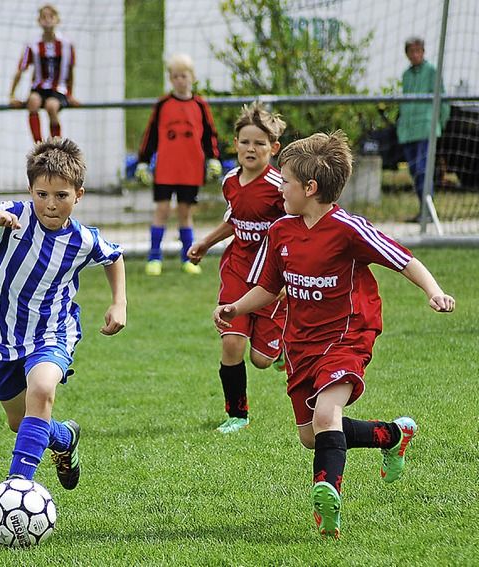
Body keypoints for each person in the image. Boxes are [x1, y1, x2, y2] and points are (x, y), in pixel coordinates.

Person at [213, 130, 455, 538]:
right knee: (313, 436)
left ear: (310, 188)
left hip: (348, 335)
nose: (279, 187)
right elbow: (269, 288)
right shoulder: (282, 231)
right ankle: (394, 434)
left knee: (327, 414)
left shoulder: (349, 228)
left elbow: (403, 259)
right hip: (300, 343)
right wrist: (236, 307)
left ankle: (327, 498)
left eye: (285, 181)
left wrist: (435, 291)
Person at [0, 137, 127, 490]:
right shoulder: (11, 218)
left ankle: (19, 487)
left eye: (62, 195)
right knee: (21, 422)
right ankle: (64, 439)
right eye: (42, 194)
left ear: (79, 195)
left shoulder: (82, 240)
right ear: (30, 190)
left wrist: (119, 302)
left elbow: (114, 256)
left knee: (42, 390)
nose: (51, 204)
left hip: (52, 332)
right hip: (2, 336)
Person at [187, 102, 287, 434]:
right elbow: (234, 219)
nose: (251, 148)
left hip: (271, 280)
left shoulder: (280, 188)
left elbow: (292, 230)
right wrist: (206, 242)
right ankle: (237, 415)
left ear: (273, 149)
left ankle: (283, 336)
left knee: (261, 360)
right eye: (245, 141)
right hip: (236, 269)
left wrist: (289, 275)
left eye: (260, 143)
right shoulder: (230, 181)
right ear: (235, 144)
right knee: (231, 342)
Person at [135, 53, 221, 276]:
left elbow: (209, 135)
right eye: (175, 76)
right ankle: (154, 257)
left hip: (190, 169)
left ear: (191, 77)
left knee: (185, 212)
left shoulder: (200, 105)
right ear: (170, 79)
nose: (180, 80)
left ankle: (188, 258)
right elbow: (151, 134)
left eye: (183, 75)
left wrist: (213, 158)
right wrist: (143, 161)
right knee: (161, 210)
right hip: (166, 168)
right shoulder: (163, 104)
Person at [9, 4, 80, 142]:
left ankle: (55, 146)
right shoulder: (33, 44)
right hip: (39, 88)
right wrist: (12, 95)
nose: (47, 20)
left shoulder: (66, 43)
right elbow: (21, 70)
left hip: (58, 89)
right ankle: (39, 145)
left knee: (51, 106)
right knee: (33, 101)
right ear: (39, 21)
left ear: (57, 20)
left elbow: (70, 71)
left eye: (51, 17)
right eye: (43, 17)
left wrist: (70, 94)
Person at [397, 36, 450, 222]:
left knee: (423, 170)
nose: (415, 54)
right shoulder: (406, 75)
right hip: (408, 131)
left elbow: (442, 98)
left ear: (423, 52)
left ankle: (428, 211)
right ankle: (423, 210)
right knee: (413, 171)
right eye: (411, 51)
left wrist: (439, 123)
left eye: (418, 51)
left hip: (425, 129)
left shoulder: (432, 71)